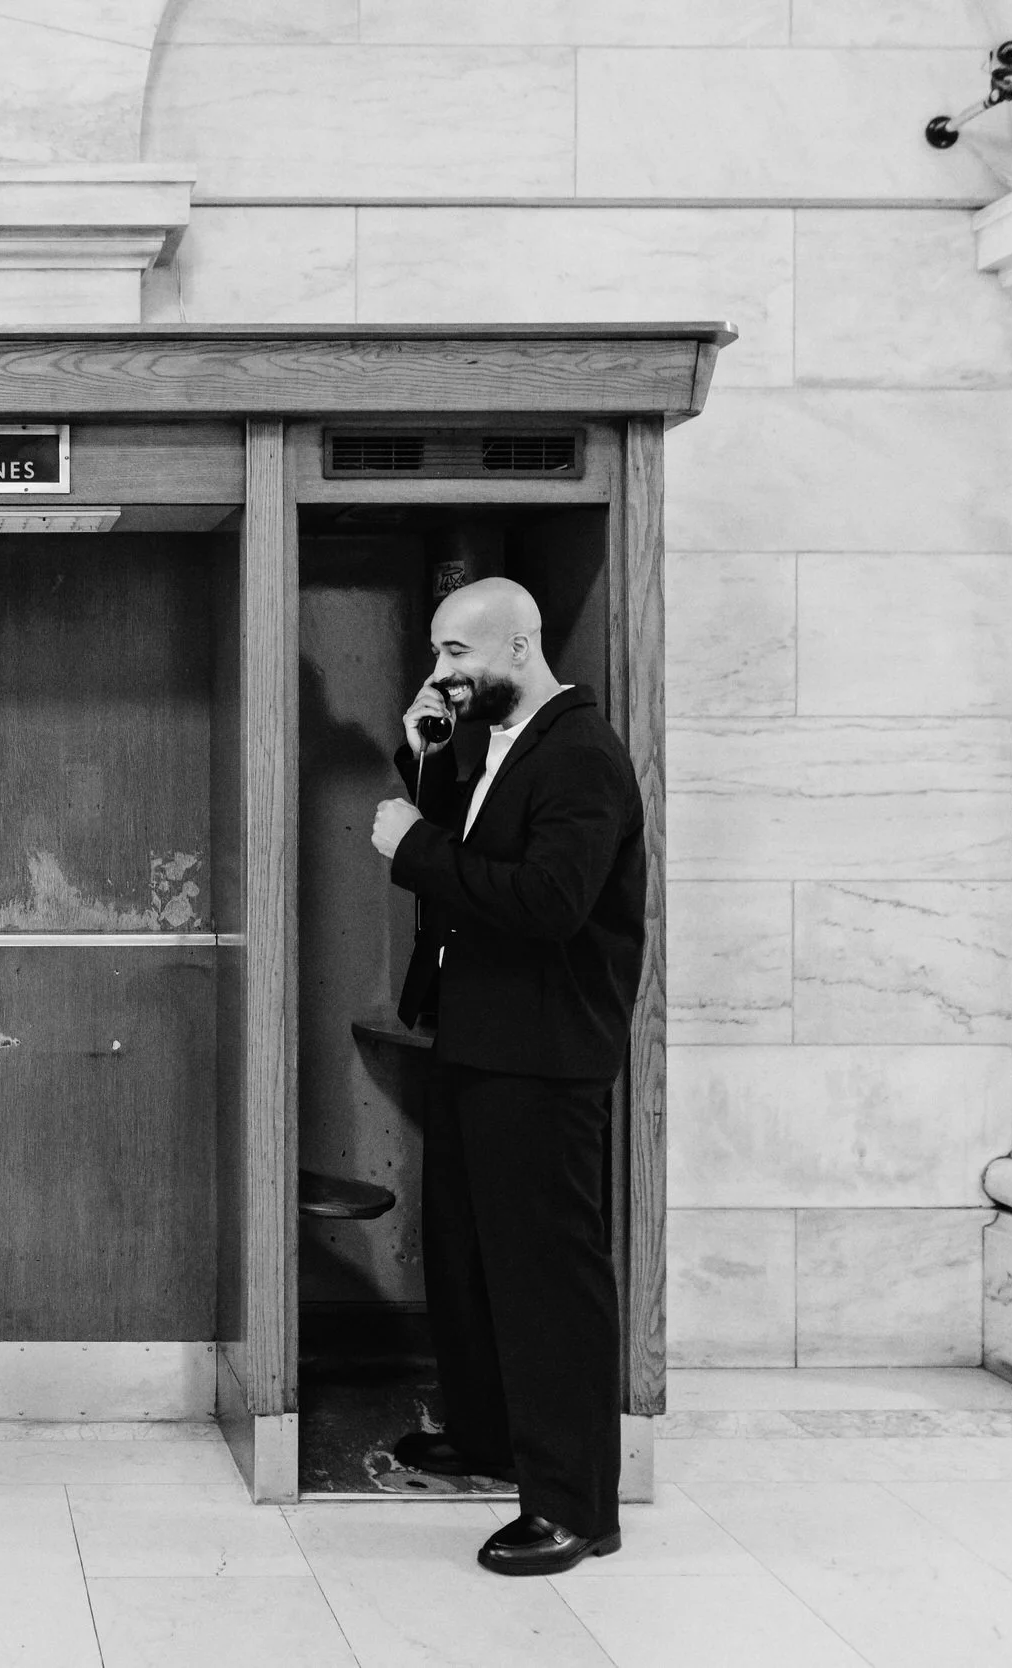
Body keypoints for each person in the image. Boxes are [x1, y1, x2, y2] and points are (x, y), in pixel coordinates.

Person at [368, 578, 645, 1576]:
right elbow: (483, 859)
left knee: (547, 1283)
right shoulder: (506, 743)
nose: (440, 672)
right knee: (471, 1262)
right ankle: (491, 1439)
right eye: (437, 653)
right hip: (483, 1043)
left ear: (520, 647)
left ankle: (574, 1508)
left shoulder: (579, 754)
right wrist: (425, 761)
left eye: (458, 653)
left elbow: (547, 902)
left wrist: (413, 846)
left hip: (544, 1057)